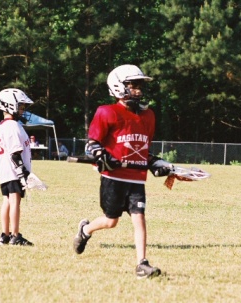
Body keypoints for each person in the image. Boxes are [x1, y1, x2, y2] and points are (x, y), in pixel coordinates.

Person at [73, 64, 173, 279]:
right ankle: (85, 230)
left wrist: (156, 163)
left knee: (140, 217)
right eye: (133, 85)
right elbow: (92, 144)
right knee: (111, 221)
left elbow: (143, 150)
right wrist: (102, 156)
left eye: (139, 86)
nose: (138, 90)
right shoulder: (107, 111)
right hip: (114, 177)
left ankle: (141, 264)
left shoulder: (148, 116)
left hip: (136, 178)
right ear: (118, 87)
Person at [0, 88, 35, 246]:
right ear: (10, 105)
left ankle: (4, 234)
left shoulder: (3, 125)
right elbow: (15, 153)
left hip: (5, 172)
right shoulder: (12, 126)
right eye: (21, 107)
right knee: (15, 201)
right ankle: (15, 235)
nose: (23, 110)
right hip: (13, 171)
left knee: (7, 201)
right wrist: (22, 172)